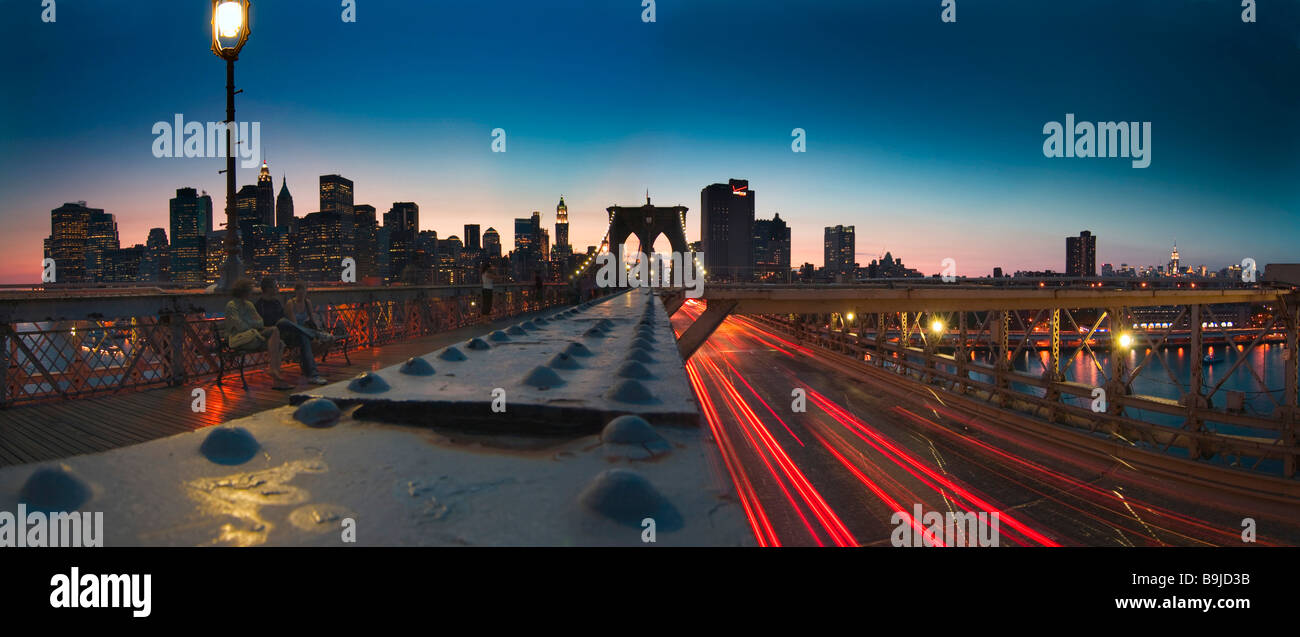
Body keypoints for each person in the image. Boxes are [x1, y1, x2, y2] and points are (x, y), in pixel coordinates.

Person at [255, 277, 328, 385]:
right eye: (276, 286)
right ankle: (316, 335)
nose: (278, 289)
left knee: (302, 336)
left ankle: (313, 376)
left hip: (285, 333)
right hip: (273, 335)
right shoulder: (259, 305)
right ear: (268, 289)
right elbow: (261, 325)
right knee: (285, 324)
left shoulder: (276, 302)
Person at [222, 277, 290, 389]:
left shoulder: (249, 305)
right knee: (274, 331)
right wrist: (251, 323)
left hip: (253, 337)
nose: (253, 292)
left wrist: (248, 323)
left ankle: (277, 380)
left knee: (280, 343)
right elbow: (241, 327)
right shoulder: (231, 306)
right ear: (244, 291)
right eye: (250, 290)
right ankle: (274, 371)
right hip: (240, 339)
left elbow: (260, 322)